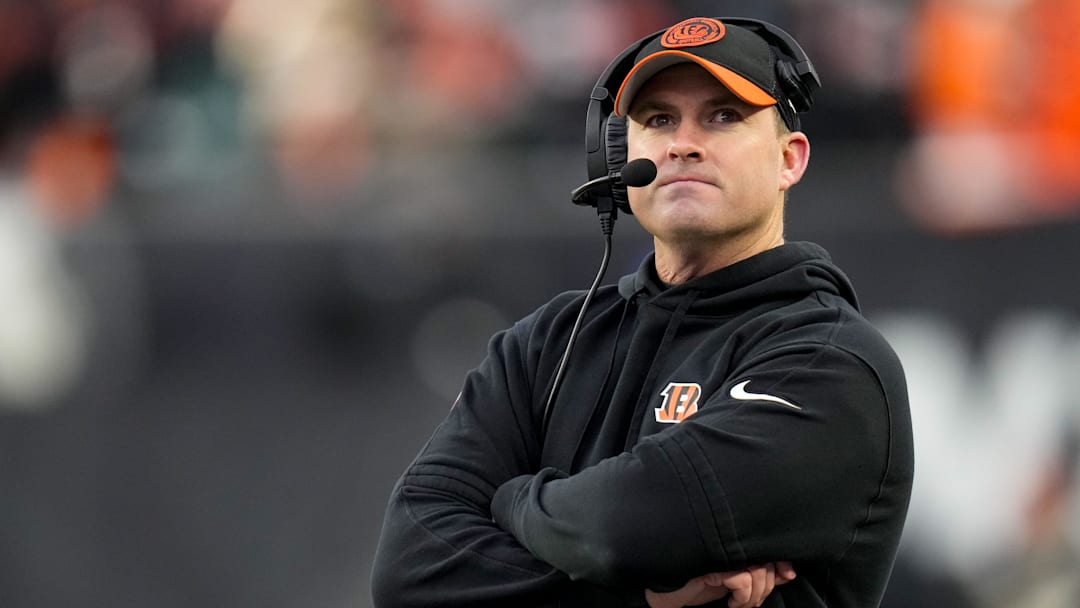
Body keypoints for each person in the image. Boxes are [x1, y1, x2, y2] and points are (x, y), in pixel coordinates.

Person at [371, 15, 914, 608]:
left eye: (723, 116)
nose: (683, 142)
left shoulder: (830, 363)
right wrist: (650, 599)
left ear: (790, 159)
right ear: (619, 157)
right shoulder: (545, 344)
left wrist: (514, 499)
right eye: (658, 120)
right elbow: (411, 570)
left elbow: (621, 527)